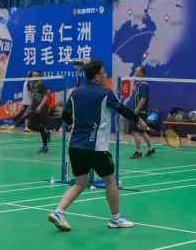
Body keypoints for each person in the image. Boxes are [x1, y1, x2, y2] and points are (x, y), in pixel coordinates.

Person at [48, 59, 148, 231]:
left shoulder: (75, 93)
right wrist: (139, 120)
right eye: (103, 73)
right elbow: (122, 109)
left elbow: (65, 116)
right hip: (96, 148)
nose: (106, 75)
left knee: (80, 182)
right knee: (110, 181)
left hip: (75, 145)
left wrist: (75, 124)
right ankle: (115, 219)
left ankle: (58, 212)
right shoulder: (105, 93)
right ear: (96, 77)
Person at [128, 66, 156, 159]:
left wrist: (136, 110)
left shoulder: (143, 84)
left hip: (139, 112)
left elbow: (143, 98)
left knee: (135, 131)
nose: (135, 73)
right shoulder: (138, 84)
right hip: (140, 111)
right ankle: (151, 149)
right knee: (142, 132)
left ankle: (138, 152)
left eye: (136, 71)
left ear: (141, 73)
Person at [27, 71, 51, 153]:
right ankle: (46, 132)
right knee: (30, 126)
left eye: (32, 78)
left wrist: (40, 106)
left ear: (37, 77)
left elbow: (46, 97)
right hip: (35, 109)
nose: (30, 79)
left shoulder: (42, 86)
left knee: (41, 127)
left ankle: (45, 146)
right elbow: (33, 99)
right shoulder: (33, 87)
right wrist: (28, 109)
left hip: (42, 110)